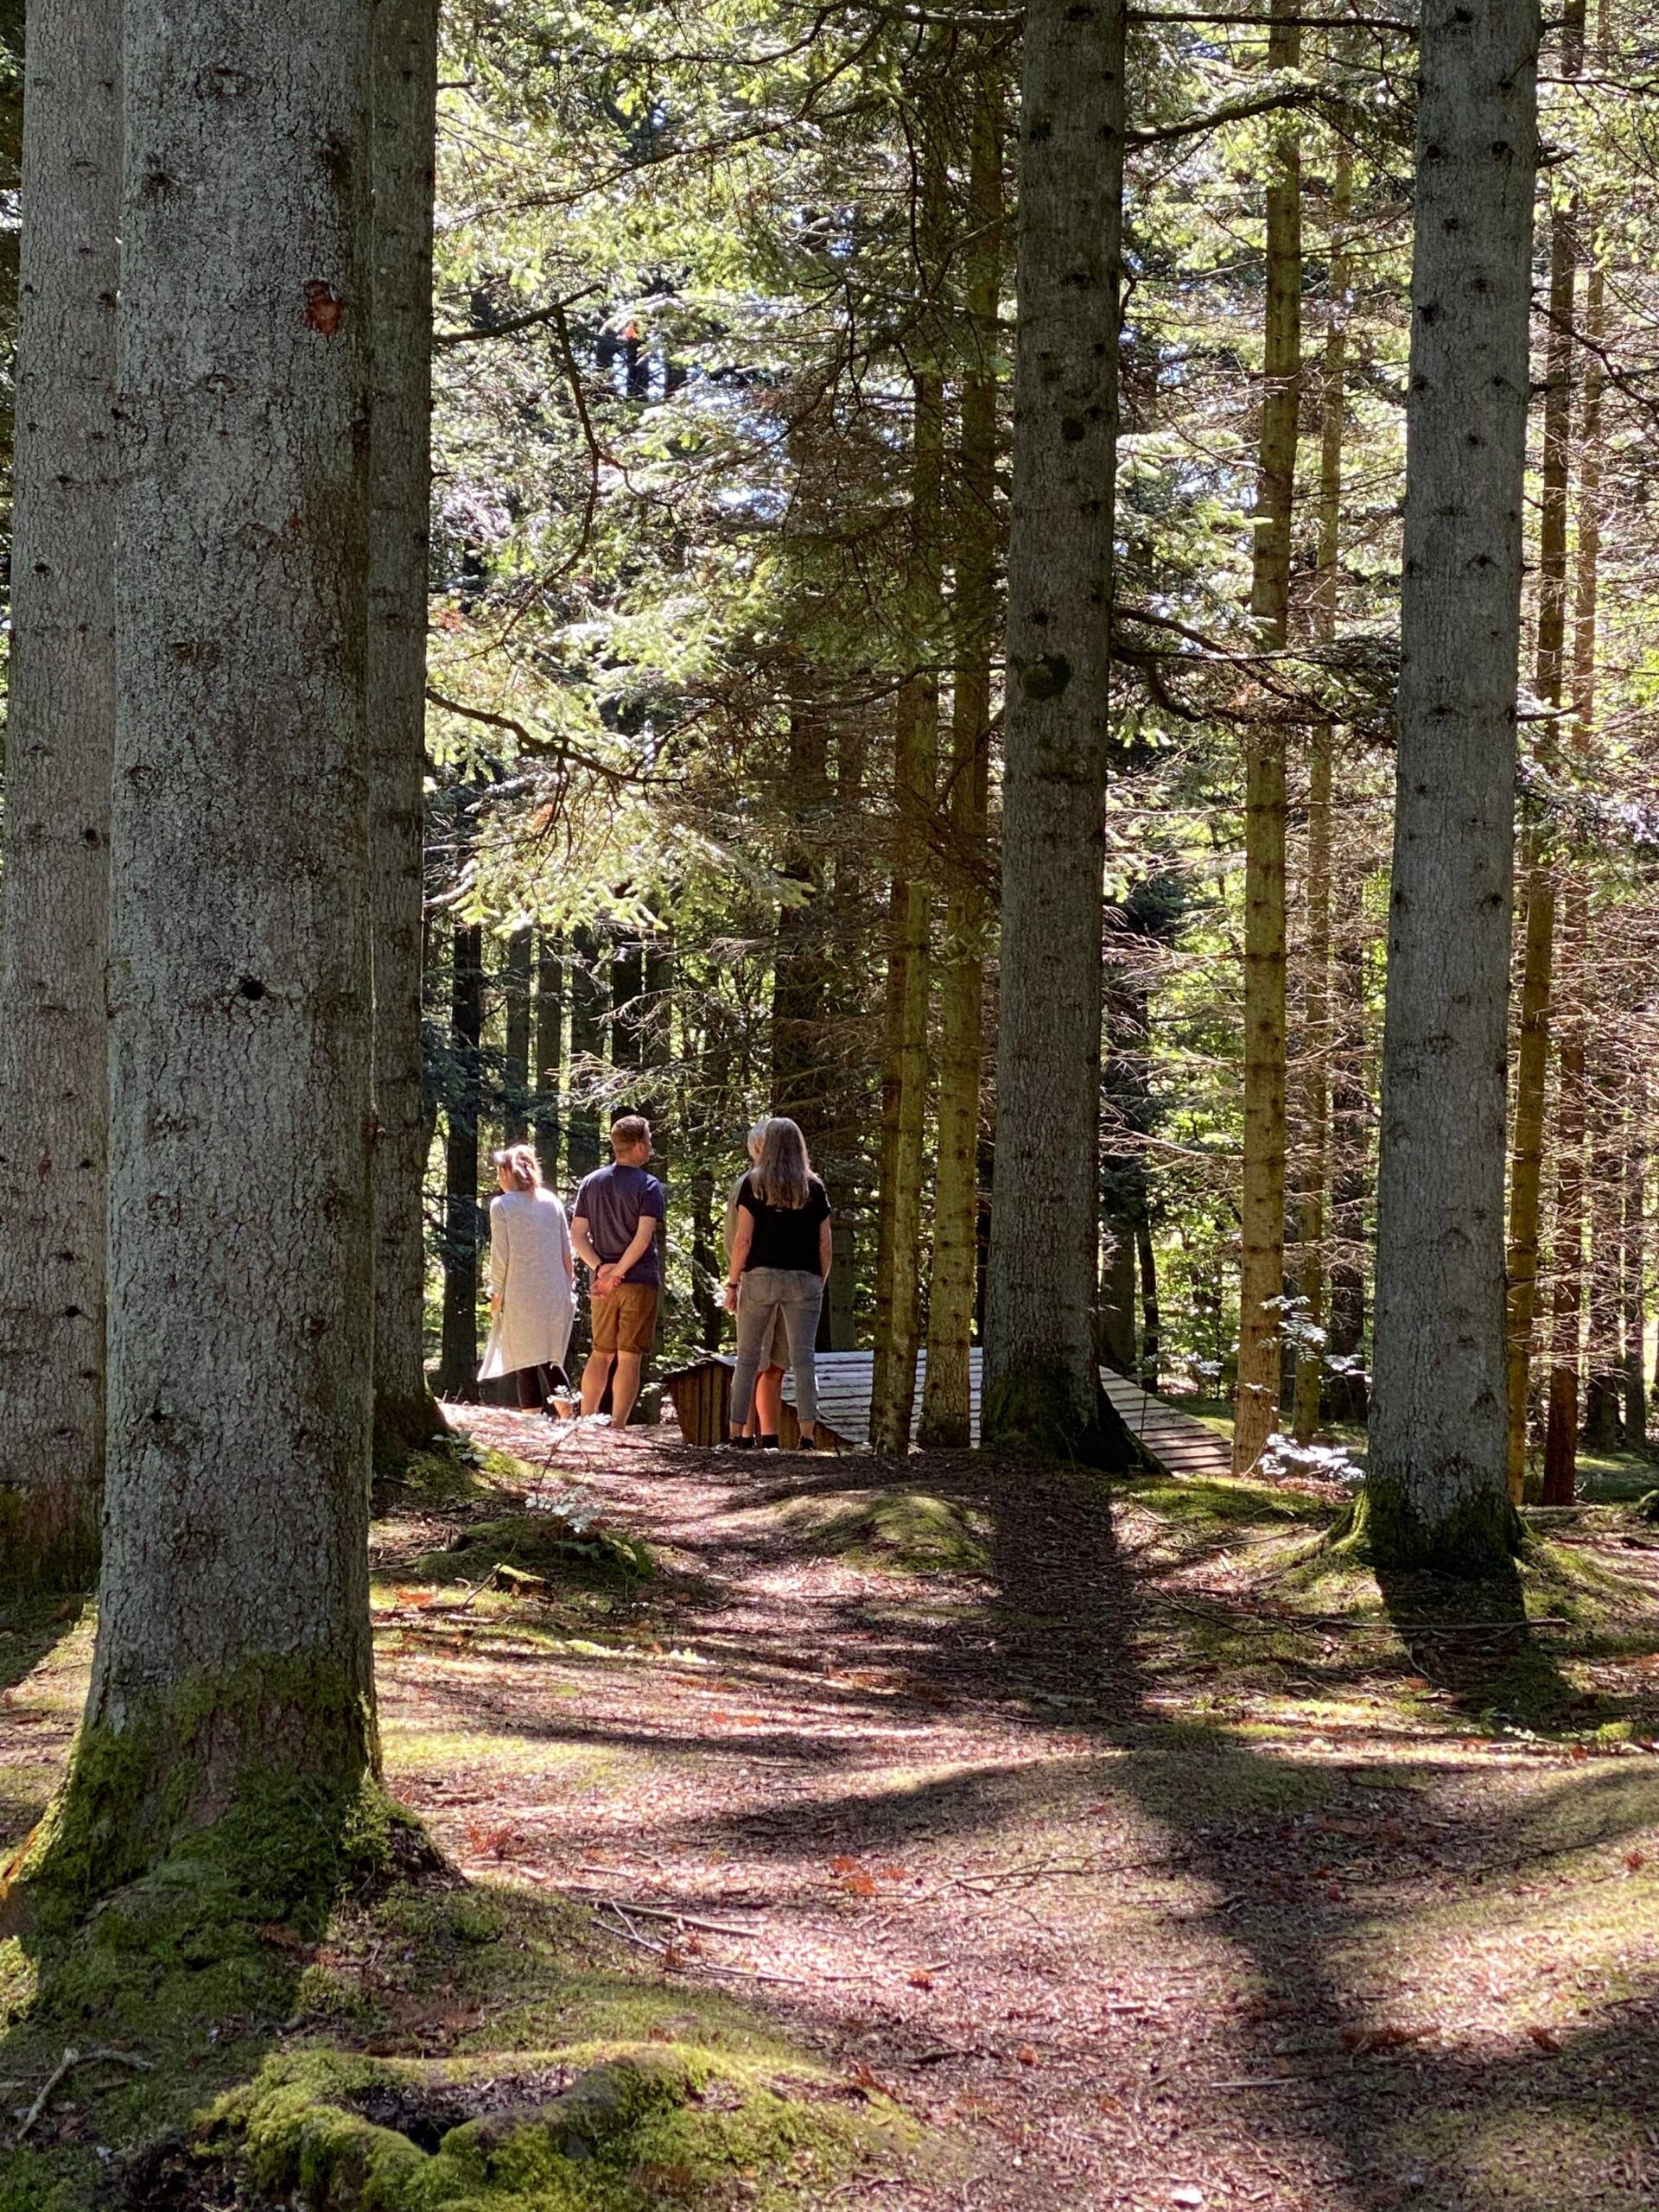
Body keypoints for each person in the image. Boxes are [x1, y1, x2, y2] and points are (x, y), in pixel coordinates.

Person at [725, 1116, 832, 1451]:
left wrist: (732, 1284)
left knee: (746, 1359)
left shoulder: (753, 1184)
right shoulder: (813, 1187)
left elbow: (743, 1240)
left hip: (760, 1279)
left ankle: (735, 1435)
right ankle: (806, 1436)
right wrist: (820, 1281)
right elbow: (825, 1244)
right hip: (804, 1281)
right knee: (804, 1360)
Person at [571, 1114, 665, 1431]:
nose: (650, 1147)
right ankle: (618, 1427)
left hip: (602, 1285)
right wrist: (619, 1272)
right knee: (628, 1357)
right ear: (638, 1146)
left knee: (600, 1353)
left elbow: (577, 1234)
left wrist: (601, 1270)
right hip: (638, 1281)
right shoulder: (649, 1186)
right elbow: (643, 1236)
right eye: (648, 1141)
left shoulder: (591, 1182)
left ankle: (585, 1421)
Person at [479, 1145, 575, 1413]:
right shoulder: (551, 1201)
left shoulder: (502, 1206)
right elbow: (566, 1251)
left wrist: (495, 1293)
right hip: (555, 1293)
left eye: (500, 1172)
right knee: (550, 1360)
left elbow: (501, 1255)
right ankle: (568, 1418)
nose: (498, 1179)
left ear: (509, 1173)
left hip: (521, 1296)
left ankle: (532, 1423)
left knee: (524, 1362)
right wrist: (569, 1289)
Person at [724, 1120, 788, 1446]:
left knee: (776, 1366)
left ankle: (771, 1438)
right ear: (758, 1148)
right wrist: (735, 1284)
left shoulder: (797, 1185)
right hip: (754, 1283)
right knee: (752, 1362)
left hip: (790, 1287)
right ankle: (743, 1437)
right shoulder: (746, 1185)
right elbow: (737, 1239)